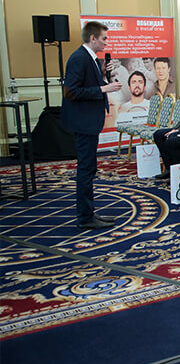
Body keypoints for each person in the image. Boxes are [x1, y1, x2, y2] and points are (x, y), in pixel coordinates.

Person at [62, 21, 123, 229]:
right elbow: (71, 91)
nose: (107, 42)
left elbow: (88, 84)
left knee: (89, 168)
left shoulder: (91, 58)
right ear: (93, 38)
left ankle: (88, 213)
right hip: (83, 122)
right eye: (104, 38)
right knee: (86, 169)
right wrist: (104, 89)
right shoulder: (79, 58)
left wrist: (103, 74)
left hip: (88, 121)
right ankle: (85, 217)